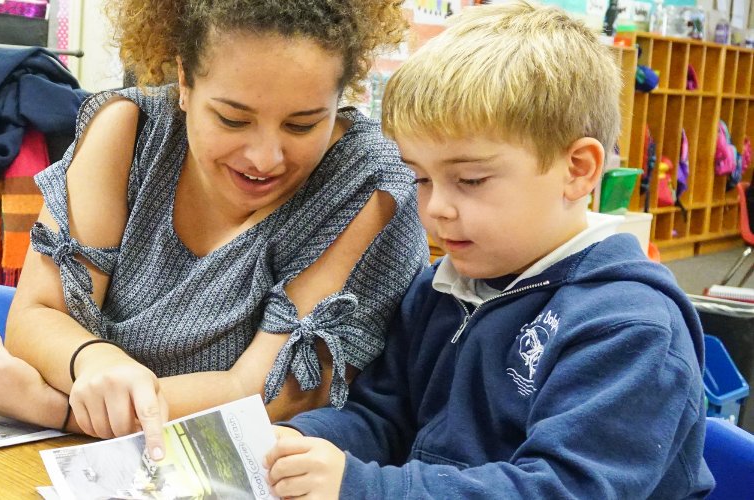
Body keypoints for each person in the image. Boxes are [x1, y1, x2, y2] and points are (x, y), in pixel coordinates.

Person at [0, 0, 430, 461]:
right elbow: (39, 310)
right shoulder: (127, 130)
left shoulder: (368, 183)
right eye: (233, 118)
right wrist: (93, 361)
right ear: (183, 80)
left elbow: (267, 394)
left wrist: (57, 408)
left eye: (302, 125)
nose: (265, 158)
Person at [265, 2, 715, 497]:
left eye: (471, 179)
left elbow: (562, 488)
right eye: (420, 177)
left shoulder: (629, 327)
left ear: (579, 169)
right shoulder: (438, 288)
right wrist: (298, 445)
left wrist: (363, 487)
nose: (437, 208)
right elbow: (384, 418)